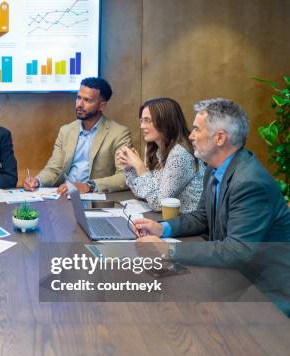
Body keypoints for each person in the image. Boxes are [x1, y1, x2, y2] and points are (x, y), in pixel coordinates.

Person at [133, 98, 290, 263]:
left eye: (196, 130)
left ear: (220, 138)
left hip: (263, 282)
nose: (191, 136)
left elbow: (236, 251)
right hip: (235, 272)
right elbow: (202, 217)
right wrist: (162, 228)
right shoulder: (213, 168)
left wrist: (168, 249)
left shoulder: (250, 183)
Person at [23, 77, 131, 194]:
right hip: (64, 195)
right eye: (78, 98)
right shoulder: (66, 131)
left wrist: (89, 186)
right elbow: (54, 170)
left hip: (95, 198)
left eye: (87, 100)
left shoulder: (119, 133)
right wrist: (38, 181)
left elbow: (124, 176)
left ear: (102, 106)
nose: (80, 104)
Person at [116, 97, 205, 213]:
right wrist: (130, 168)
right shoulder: (157, 150)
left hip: (188, 224)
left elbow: (159, 204)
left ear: (166, 121)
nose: (142, 126)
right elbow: (143, 194)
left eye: (147, 120)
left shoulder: (180, 154)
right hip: (172, 219)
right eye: (141, 121)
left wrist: (139, 166)